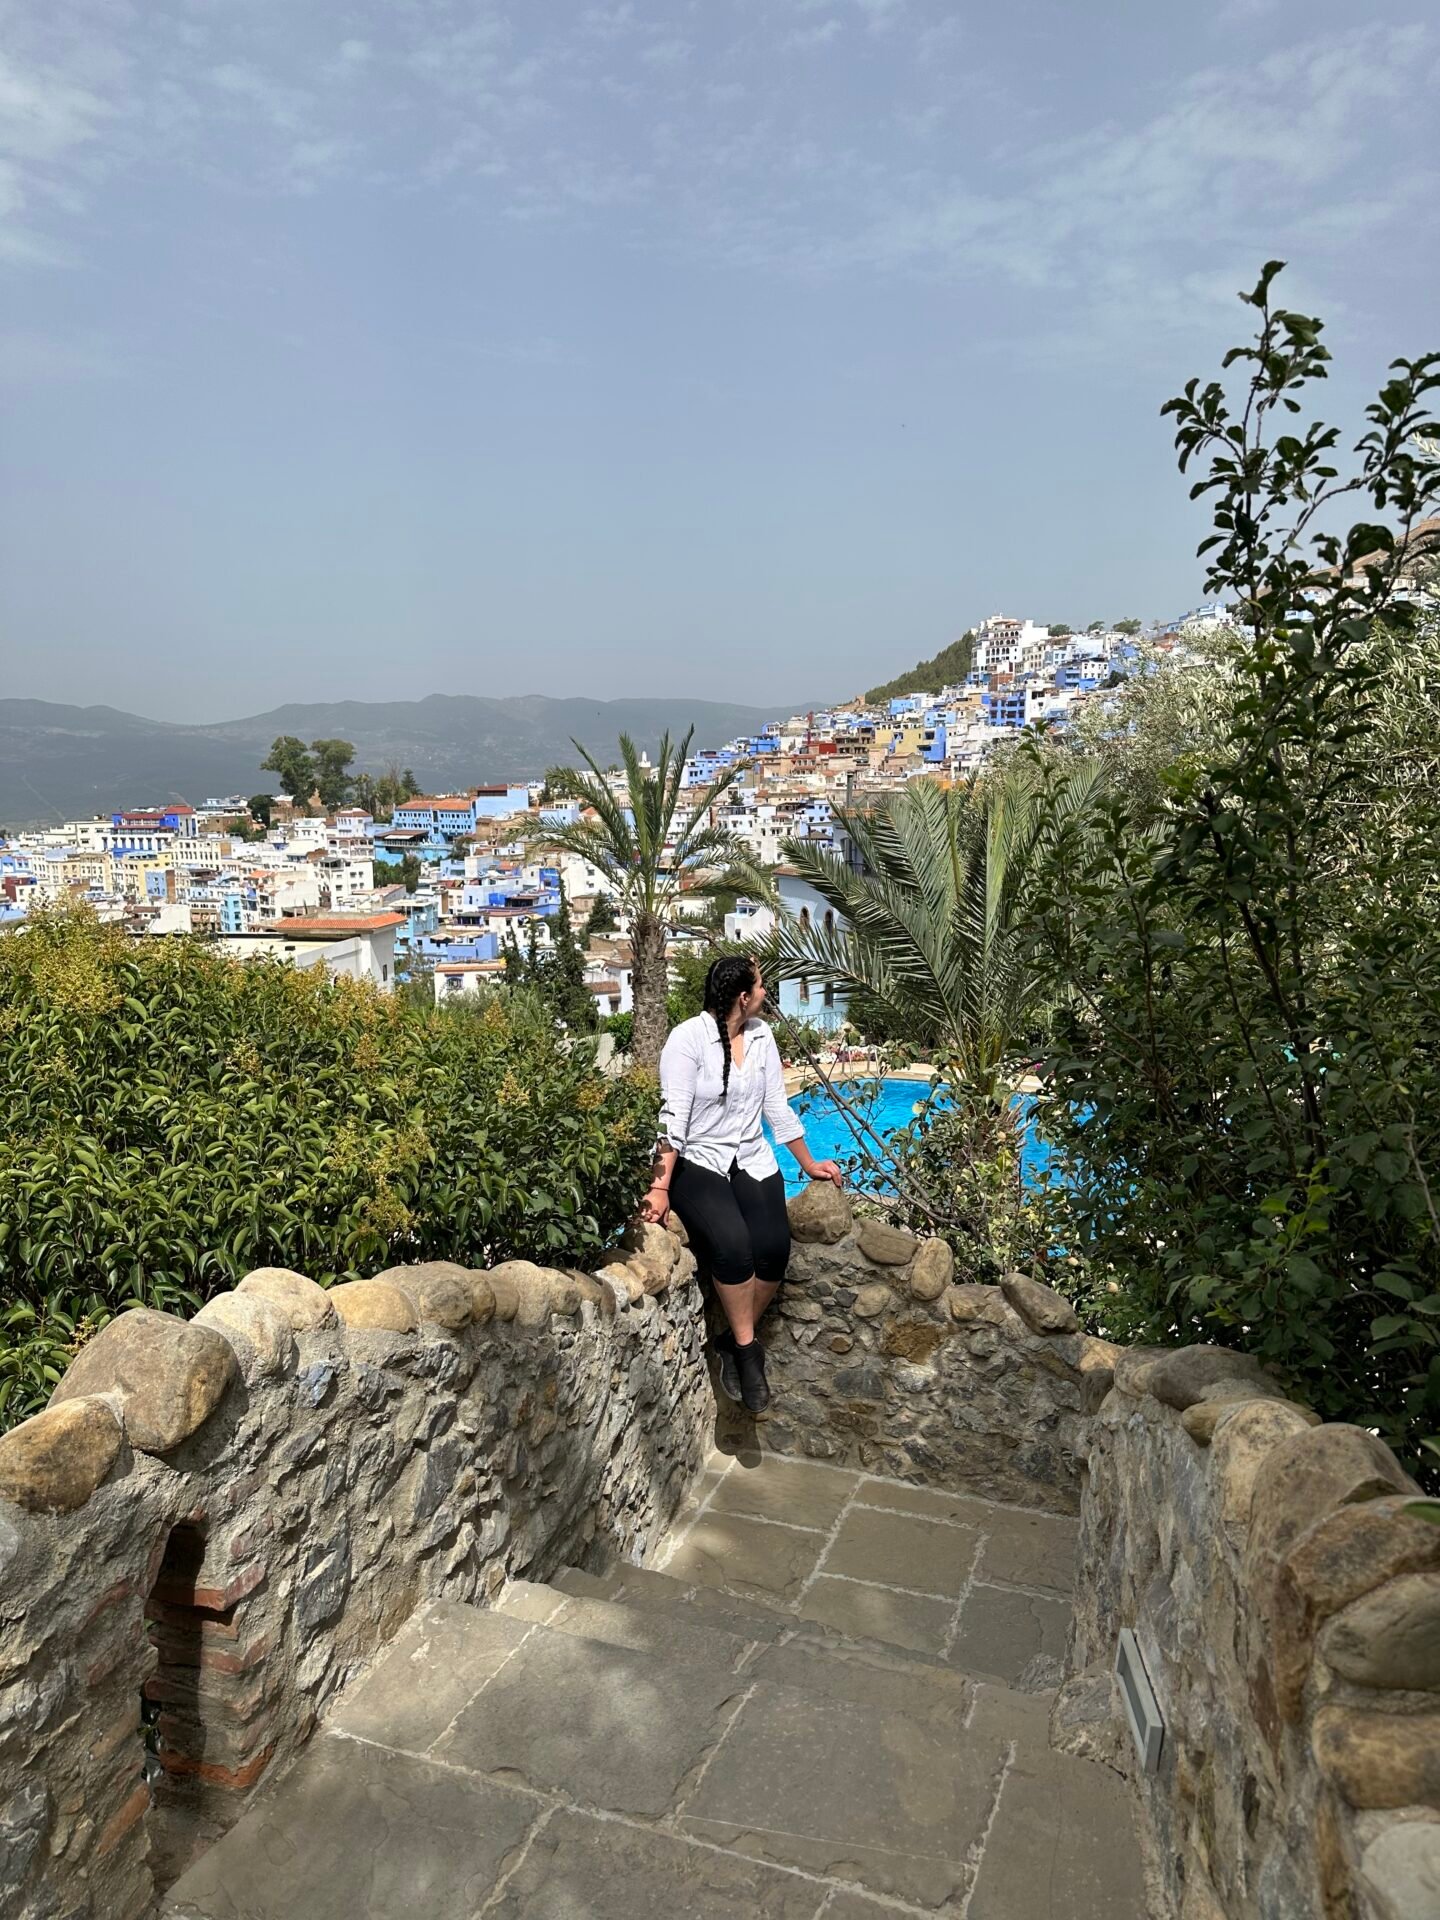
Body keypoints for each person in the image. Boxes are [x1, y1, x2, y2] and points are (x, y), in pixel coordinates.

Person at [644, 954, 843, 1413]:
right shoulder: (687, 1039)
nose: (766, 992)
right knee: (733, 1248)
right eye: (761, 985)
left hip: (751, 1155)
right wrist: (659, 1187)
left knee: (773, 1248)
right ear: (742, 996)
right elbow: (672, 1119)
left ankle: (730, 1342)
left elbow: (776, 1107)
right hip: (700, 1161)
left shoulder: (761, 1037)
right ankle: (749, 1353)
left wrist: (808, 1163)